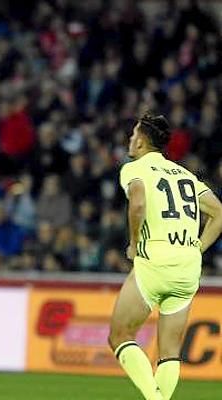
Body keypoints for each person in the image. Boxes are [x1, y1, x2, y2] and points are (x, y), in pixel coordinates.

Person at [108, 113, 222, 400]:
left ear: (141, 141)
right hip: (187, 266)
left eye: (133, 134)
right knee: (169, 352)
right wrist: (197, 247)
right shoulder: (185, 174)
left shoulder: (135, 168)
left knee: (120, 336)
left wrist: (135, 243)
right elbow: (219, 212)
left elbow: (137, 203)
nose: (130, 139)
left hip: (155, 259)